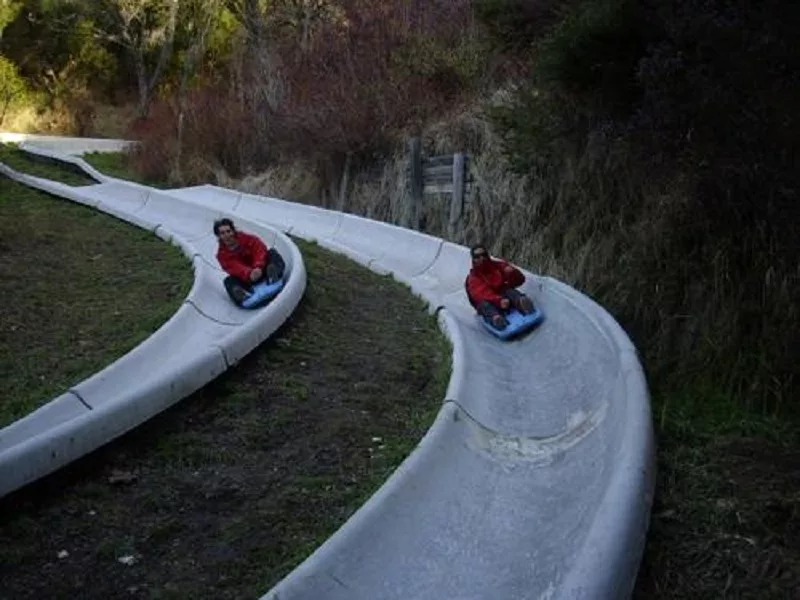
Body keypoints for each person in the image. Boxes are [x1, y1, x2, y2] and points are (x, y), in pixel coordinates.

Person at [214, 218, 285, 306]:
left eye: (228, 231)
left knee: (271, 253)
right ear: (219, 236)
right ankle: (243, 295)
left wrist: (258, 266)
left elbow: (259, 250)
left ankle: (273, 275)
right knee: (228, 281)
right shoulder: (222, 255)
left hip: (263, 270)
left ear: (233, 231)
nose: (227, 235)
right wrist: (249, 273)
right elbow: (234, 267)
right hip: (248, 279)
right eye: (222, 233)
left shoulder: (247, 239)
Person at [464, 243, 536, 330]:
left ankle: (522, 303)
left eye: (484, 255)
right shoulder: (473, 278)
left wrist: (512, 273)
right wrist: (499, 300)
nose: (481, 258)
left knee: (509, 291)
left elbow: (520, 280)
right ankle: (496, 319)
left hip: (504, 299)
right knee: (484, 305)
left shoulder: (498, 266)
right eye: (477, 256)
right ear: (473, 259)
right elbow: (481, 294)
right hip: (490, 302)